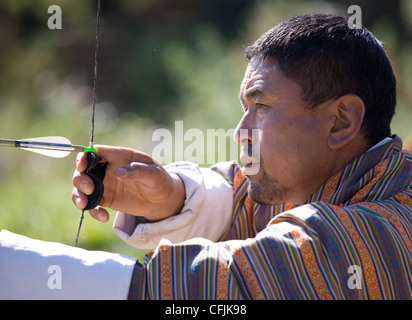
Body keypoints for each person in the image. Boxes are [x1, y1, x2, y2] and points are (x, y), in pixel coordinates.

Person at [1, 13, 412, 300]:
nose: (240, 130)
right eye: (244, 107)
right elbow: (244, 199)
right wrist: (172, 199)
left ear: (340, 121)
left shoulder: (383, 233)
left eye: (262, 107)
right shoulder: (331, 183)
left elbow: (215, 286)